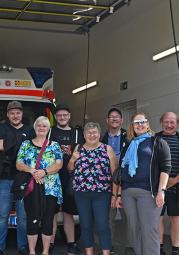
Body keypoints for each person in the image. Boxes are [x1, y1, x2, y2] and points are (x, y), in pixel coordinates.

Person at [115, 112, 171, 255]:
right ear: (132, 126)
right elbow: (122, 170)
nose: (139, 125)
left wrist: (161, 191)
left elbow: (166, 168)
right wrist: (119, 195)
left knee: (149, 228)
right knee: (134, 229)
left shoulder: (157, 142)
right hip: (128, 193)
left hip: (148, 192)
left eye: (142, 122)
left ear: (147, 125)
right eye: (136, 122)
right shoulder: (128, 145)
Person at [16, 116, 64, 255]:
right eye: (39, 125)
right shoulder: (26, 144)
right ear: (35, 128)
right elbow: (18, 164)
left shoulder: (54, 145)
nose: (41, 128)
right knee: (32, 219)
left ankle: (45, 252)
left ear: (48, 129)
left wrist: (44, 172)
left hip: (50, 188)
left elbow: (59, 164)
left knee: (48, 219)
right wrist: (32, 171)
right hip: (31, 187)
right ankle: (32, 251)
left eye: (44, 126)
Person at [68, 122, 117, 255]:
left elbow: (115, 174)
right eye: (89, 133)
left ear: (99, 134)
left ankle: (106, 252)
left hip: (102, 194)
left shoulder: (107, 149)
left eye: (94, 132)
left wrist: (115, 195)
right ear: (84, 135)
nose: (92, 135)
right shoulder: (78, 148)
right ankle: (89, 253)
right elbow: (70, 169)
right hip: (81, 194)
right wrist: (72, 159)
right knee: (85, 225)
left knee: (102, 225)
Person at [0, 101, 34, 255]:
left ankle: (22, 247)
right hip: (4, 178)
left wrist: (13, 141)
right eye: (12, 113)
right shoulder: (2, 127)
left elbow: (32, 151)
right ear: (7, 115)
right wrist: (21, 142)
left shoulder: (30, 130)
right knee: (2, 215)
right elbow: (1, 146)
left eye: (18, 113)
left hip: (23, 178)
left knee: (23, 217)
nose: (15, 116)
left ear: (22, 114)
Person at [48, 104, 84, 255]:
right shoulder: (50, 132)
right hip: (52, 177)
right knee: (52, 212)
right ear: (55, 118)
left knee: (69, 212)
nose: (62, 117)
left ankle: (71, 244)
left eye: (65, 115)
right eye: (59, 115)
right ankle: (49, 244)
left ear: (69, 116)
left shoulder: (78, 132)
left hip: (71, 178)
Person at [156, 112, 179, 255]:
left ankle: (175, 250)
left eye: (172, 122)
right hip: (157, 188)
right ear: (161, 122)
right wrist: (161, 184)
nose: (169, 125)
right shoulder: (154, 139)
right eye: (166, 122)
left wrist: (174, 180)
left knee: (176, 219)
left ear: (177, 123)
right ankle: (160, 249)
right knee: (158, 218)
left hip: (177, 186)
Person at [101, 108, 130, 253]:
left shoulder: (129, 137)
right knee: (109, 217)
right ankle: (109, 245)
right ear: (107, 120)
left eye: (117, 117)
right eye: (111, 117)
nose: (114, 119)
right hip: (107, 183)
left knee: (128, 216)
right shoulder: (101, 139)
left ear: (122, 120)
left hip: (126, 182)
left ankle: (129, 244)